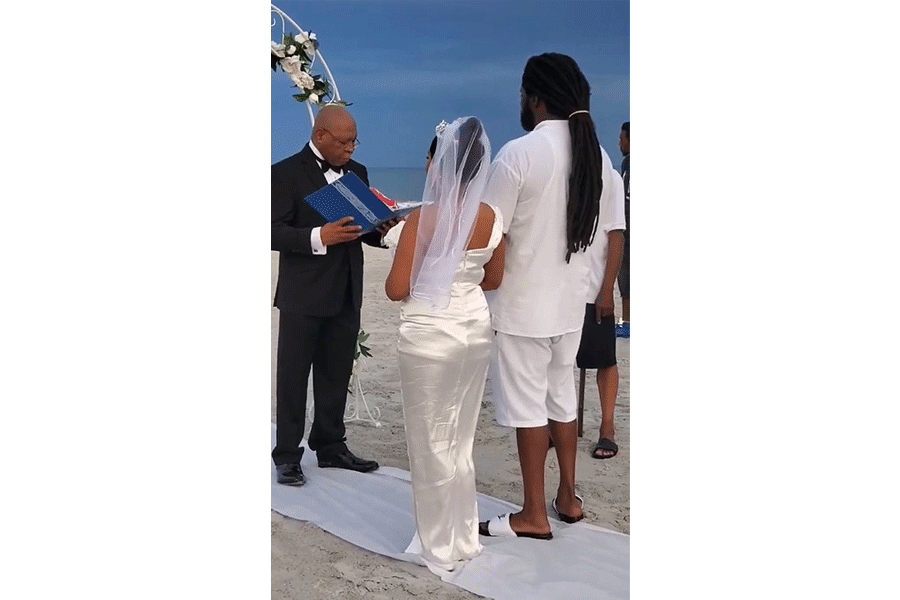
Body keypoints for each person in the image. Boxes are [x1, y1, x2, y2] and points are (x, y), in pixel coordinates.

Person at [479, 53, 617, 539]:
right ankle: (567, 497)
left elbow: (489, 233)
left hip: (521, 306)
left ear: (534, 98)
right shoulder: (598, 157)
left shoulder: (519, 154)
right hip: (568, 305)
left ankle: (533, 513)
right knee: (561, 399)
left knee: (528, 410)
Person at [385, 117, 505, 571]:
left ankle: (437, 545)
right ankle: (462, 536)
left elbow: (396, 289)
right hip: (474, 329)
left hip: (430, 335)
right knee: (460, 439)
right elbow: (494, 277)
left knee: (429, 440)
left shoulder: (423, 217)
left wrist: (409, 254)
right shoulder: (491, 217)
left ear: (435, 163)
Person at [271, 105, 397, 486]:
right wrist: (317, 237)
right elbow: (269, 231)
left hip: (346, 289)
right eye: (343, 142)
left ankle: (330, 446)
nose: (351, 149)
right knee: (293, 377)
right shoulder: (284, 173)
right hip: (302, 293)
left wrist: (385, 228)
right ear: (320, 135)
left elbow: (361, 229)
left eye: (354, 141)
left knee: (336, 372)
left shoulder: (356, 173)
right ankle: (287, 455)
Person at [576, 168, 626, 460]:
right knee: (555, 360)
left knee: (605, 358)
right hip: (561, 286)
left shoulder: (608, 173)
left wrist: (607, 288)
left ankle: (607, 426)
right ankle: (558, 427)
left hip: (594, 284)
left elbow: (616, 233)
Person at [615, 122, 630, 339]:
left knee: (626, 275)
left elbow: (626, 197)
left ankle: (627, 321)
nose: (619, 142)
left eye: (623, 138)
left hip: (630, 227)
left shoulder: (629, 164)